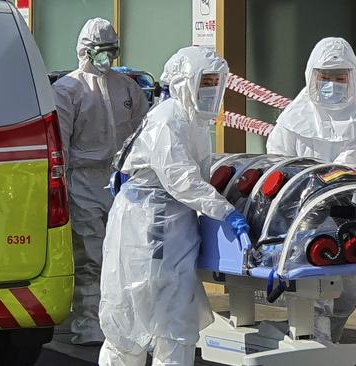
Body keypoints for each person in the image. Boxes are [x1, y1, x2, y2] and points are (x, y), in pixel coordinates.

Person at [98, 46, 250, 366]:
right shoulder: (168, 120)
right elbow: (181, 179)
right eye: (204, 81)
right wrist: (226, 212)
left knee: (175, 321)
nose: (210, 90)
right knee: (134, 320)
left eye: (215, 82)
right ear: (184, 82)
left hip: (171, 224)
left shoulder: (190, 118)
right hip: (147, 227)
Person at [266, 37, 356, 343]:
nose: (332, 84)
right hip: (303, 212)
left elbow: (355, 159)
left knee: (349, 285)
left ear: (352, 77)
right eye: (325, 77)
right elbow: (279, 159)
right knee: (312, 287)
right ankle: (316, 349)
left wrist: (333, 180)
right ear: (312, 76)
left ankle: (332, 344)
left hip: (350, 209)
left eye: (339, 77)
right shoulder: (293, 118)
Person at [52, 18, 149, 346]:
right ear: (86, 51)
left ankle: (124, 322)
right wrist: (61, 187)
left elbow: (141, 135)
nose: (107, 58)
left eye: (112, 51)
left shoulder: (127, 88)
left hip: (122, 181)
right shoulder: (68, 89)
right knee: (92, 256)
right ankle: (89, 325)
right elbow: (60, 144)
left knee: (126, 255)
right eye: (101, 51)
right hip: (83, 182)